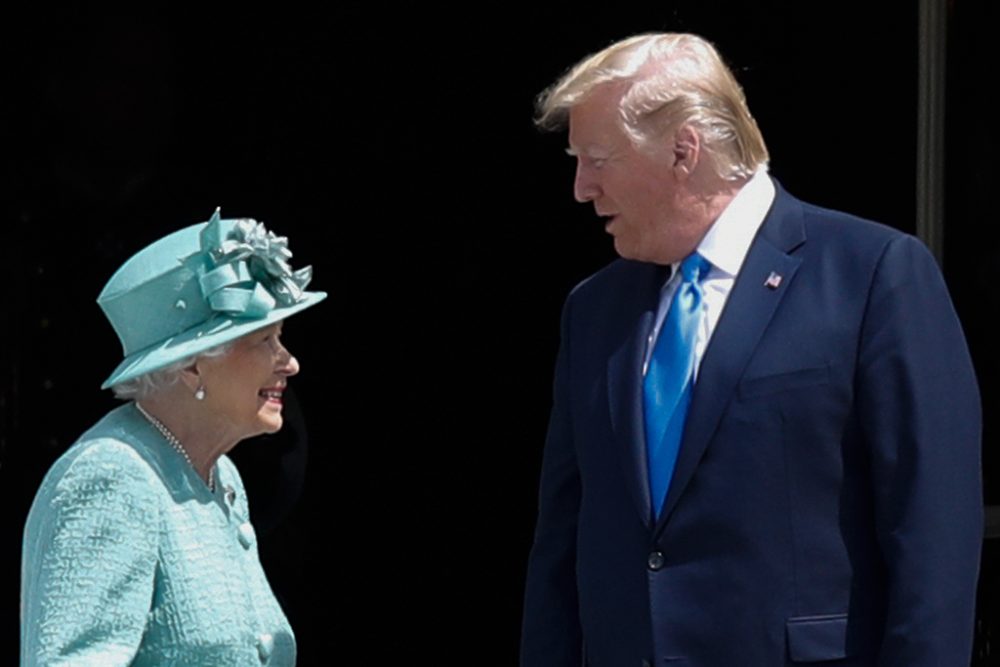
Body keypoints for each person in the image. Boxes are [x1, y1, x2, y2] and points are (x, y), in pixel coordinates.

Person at [520, 33, 982, 666]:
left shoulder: (872, 275)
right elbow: (561, 544)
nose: (581, 187)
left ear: (685, 150)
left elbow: (934, 536)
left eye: (598, 157)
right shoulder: (595, 310)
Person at [20, 209, 325, 666]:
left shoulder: (218, 475)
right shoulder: (112, 476)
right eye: (265, 339)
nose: (289, 362)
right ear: (192, 364)